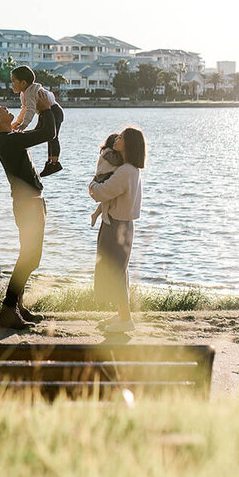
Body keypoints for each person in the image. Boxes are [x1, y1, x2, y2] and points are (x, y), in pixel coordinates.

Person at [0, 100, 56, 329]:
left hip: (31, 203)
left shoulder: (9, 138)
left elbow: (40, 131)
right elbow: (48, 133)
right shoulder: (9, 141)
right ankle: (8, 310)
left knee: (29, 257)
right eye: (1, 109)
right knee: (30, 258)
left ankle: (17, 307)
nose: (6, 108)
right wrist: (46, 107)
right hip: (28, 205)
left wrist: (40, 112)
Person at [87, 126, 146, 334]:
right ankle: (122, 314)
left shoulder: (124, 171)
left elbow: (102, 192)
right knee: (120, 271)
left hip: (117, 226)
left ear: (128, 144)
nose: (116, 138)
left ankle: (126, 319)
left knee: (115, 271)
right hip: (122, 225)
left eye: (121, 137)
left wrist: (92, 184)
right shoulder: (130, 169)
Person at [9, 65, 65, 177]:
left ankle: (54, 163)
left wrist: (24, 124)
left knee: (52, 137)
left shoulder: (29, 92)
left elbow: (30, 110)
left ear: (23, 83)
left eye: (13, 81)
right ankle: (50, 162)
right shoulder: (24, 93)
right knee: (40, 133)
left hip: (53, 111)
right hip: (45, 113)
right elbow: (24, 109)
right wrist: (18, 122)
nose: (12, 84)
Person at [88, 132, 123, 228]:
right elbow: (115, 161)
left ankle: (96, 214)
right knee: (107, 196)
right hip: (103, 176)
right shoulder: (107, 152)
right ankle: (103, 214)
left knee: (108, 197)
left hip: (106, 175)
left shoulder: (108, 152)